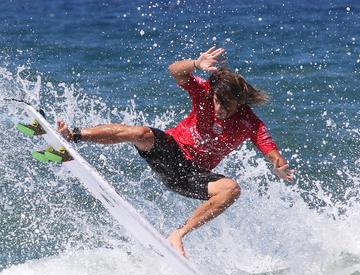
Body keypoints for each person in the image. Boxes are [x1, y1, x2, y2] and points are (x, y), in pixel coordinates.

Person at [57, 46, 294, 256]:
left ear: (240, 102)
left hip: (190, 176)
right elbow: (175, 71)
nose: (220, 108)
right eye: (218, 102)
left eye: (228, 105)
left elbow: (270, 150)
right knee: (142, 133)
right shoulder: (204, 94)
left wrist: (279, 165)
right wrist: (196, 64)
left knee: (231, 189)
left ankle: (178, 234)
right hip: (170, 151)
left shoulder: (250, 122)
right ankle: (74, 135)